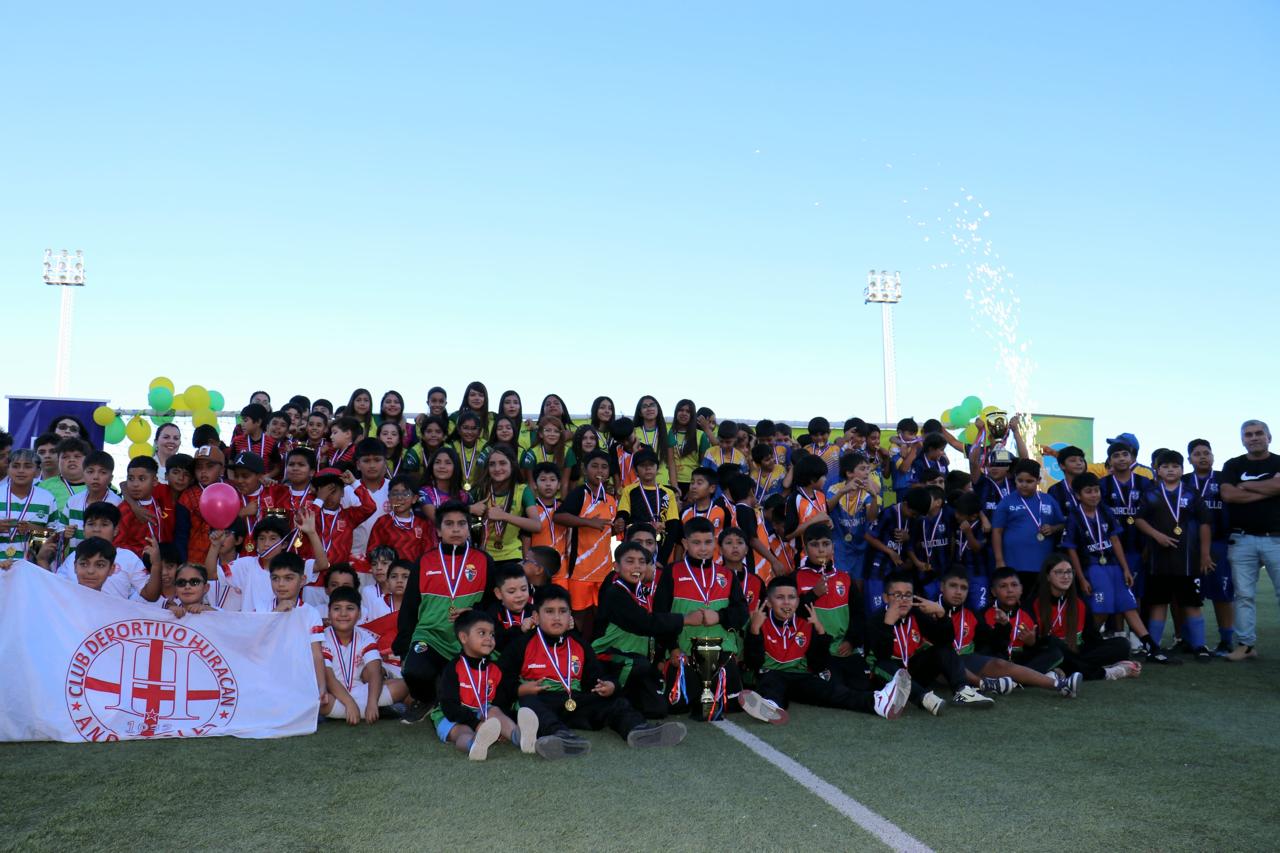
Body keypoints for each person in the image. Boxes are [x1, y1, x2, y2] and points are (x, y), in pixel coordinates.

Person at [496, 584, 688, 759]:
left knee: (616, 702)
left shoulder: (578, 643)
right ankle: (561, 738)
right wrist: (519, 690)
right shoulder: (521, 645)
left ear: (570, 616)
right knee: (528, 705)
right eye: (549, 611)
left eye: (562, 611)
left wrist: (609, 685)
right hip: (542, 700)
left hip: (575, 700)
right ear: (536, 617)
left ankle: (639, 730)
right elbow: (502, 681)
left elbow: (595, 674)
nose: (557, 617)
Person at [740, 575, 910, 724]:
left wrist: (820, 632)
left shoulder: (806, 623)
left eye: (791, 597)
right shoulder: (758, 622)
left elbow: (818, 664)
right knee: (772, 684)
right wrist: (754, 632)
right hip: (771, 674)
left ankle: (878, 702)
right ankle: (770, 706)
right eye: (780, 597)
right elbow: (753, 662)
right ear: (769, 602)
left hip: (801, 677)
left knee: (835, 692)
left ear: (798, 601)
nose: (786, 602)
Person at [395, 502, 490, 721]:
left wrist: (474, 610)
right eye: (449, 524)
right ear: (438, 530)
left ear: (469, 528)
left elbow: (494, 602)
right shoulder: (424, 561)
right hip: (430, 636)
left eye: (461, 524)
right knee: (413, 671)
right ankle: (426, 698)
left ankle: (442, 692)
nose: (455, 529)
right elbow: (409, 606)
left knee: (468, 689)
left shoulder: (484, 561)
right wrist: (402, 646)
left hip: (467, 641)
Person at [1061, 473, 1168, 663]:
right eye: (1088, 492)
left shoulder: (1105, 511)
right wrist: (1081, 578)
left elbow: (1116, 540)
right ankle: (1084, 641)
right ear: (1078, 495)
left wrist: (1125, 568)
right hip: (1092, 567)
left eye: (1096, 491)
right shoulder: (1073, 518)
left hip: (1113, 565)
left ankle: (1151, 646)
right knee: (1102, 608)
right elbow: (1072, 550)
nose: (1094, 495)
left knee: (1128, 604)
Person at [654, 517, 748, 720]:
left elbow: (742, 613)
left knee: (730, 706)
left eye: (708, 542)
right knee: (677, 706)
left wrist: (720, 616)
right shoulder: (672, 572)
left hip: (721, 653)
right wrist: (673, 648)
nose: (703, 548)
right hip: (684, 653)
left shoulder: (727, 575)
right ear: (686, 544)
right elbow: (660, 615)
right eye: (696, 543)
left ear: (715, 543)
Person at [936, 569, 1080, 697]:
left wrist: (1003, 626)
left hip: (968, 661)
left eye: (963, 588)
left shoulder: (972, 615)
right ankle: (988, 684)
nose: (958, 592)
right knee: (945, 655)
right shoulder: (928, 611)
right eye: (953, 586)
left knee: (1000, 663)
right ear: (942, 587)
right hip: (937, 666)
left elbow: (995, 643)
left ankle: (1061, 685)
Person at [868, 571, 994, 714]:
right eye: (897, 595)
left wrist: (941, 615)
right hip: (885, 679)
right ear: (885, 597)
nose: (903, 600)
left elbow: (945, 641)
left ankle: (962, 691)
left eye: (908, 595)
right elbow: (882, 654)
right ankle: (924, 698)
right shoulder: (875, 620)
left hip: (912, 674)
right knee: (882, 665)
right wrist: (888, 624)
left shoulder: (916, 614)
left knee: (942, 649)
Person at [592, 542, 691, 717]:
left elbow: (654, 628)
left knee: (659, 709)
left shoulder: (642, 593)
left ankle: (626, 701)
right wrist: (686, 619)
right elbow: (645, 623)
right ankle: (610, 698)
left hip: (637, 663)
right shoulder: (614, 592)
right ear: (616, 566)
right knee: (637, 665)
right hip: (606, 659)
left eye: (642, 562)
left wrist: (665, 654)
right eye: (630, 561)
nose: (637, 566)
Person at [1136, 450, 1214, 660]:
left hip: (1187, 560)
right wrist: (1156, 535)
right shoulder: (1151, 493)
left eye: (1175, 466)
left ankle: (1199, 646)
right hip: (1158, 560)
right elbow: (1139, 519)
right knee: (1158, 603)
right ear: (1157, 470)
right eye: (1165, 467)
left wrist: (1205, 554)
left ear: (1182, 469)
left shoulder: (1191, 493)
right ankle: (1154, 647)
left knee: (1192, 603)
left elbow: (1205, 522)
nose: (1170, 470)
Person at [433, 609, 538, 760]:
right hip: (451, 715)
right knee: (462, 732)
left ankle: (520, 736)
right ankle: (474, 745)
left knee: (494, 710)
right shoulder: (452, 668)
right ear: (463, 637)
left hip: (482, 712)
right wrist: (476, 724)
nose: (489, 638)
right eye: (482, 633)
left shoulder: (494, 669)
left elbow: (502, 698)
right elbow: (449, 706)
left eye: (492, 634)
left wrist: (499, 726)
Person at [1219, 419, 1280, 662]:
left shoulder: (1278, 461)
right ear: (1242, 439)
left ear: (1269, 437)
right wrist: (1270, 488)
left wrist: (1245, 487)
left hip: (1276, 538)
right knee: (1243, 594)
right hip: (1241, 539)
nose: (1253, 438)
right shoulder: (1233, 465)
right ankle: (1246, 645)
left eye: (1258, 433)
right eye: (1248, 434)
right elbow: (1228, 494)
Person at [554, 450, 622, 637]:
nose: (599, 470)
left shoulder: (610, 500)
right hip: (580, 569)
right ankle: (576, 654)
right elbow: (559, 516)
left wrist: (616, 527)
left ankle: (597, 656)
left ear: (609, 472)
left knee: (601, 617)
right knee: (578, 618)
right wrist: (589, 522)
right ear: (585, 469)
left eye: (604, 467)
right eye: (594, 466)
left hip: (604, 570)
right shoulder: (579, 494)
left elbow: (608, 531)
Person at [1032, 554, 1132, 681]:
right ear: (1047, 576)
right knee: (1052, 642)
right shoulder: (1035, 603)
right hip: (1051, 654)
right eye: (1059, 572)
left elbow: (1093, 639)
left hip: (1076, 652)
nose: (1066, 576)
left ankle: (1064, 671)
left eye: (1069, 572)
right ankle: (1104, 673)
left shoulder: (1079, 603)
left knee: (1122, 644)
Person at [320, 587, 408, 725]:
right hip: (334, 695)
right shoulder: (323, 637)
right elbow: (328, 678)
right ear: (329, 613)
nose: (343, 614)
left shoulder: (365, 637)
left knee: (403, 686)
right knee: (318, 700)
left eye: (350, 608)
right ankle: (373, 710)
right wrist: (349, 703)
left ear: (359, 613)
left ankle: (360, 710)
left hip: (361, 692)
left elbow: (375, 672)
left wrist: (372, 703)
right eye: (337, 609)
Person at [1185, 438, 1235, 655]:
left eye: (1207, 452)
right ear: (1189, 459)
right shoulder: (1183, 481)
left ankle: (1226, 640)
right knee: (1188, 594)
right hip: (1188, 546)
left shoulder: (1225, 479)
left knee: (1222, 594)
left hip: (1219, 545)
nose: (1203, 456)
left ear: (1213, 456)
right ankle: (1190, 640)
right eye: (1197, 453)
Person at [991, 459, 1065, 598]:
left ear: (1038, 480)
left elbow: (1062, 524)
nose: (1024, 485)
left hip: (1043, 564)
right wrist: (999, 560)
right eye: (1020, 481)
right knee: (1018, 601)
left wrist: (1053, 528)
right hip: (1014, 564)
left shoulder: (1048, 500)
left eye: (1029, 481)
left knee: (1040, 602)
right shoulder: (1006, 502)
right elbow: (997, 531)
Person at [1, 449, 57, 562]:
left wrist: (34, 530)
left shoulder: (47, 498)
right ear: (8, 469)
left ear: (38, 472)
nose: (21, 471)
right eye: (15, 466)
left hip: (31, 567)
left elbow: (56, 536)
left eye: (27, 466)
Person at [367, 476, 433, 563]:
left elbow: (428, 553)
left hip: (414, 573)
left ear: (414, 499)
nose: (399, 498)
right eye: (394, 494)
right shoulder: (383, 522)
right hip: (389, 574)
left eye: (405, 494)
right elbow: (372, 551)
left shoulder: (422, 524)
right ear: (389, 497)